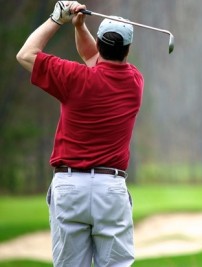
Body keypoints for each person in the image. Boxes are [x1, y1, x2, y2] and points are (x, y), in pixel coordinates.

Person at [16, 1, 144, 266]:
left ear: (99, 44)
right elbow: (93, 58)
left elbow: (26, 54)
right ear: (128, 50)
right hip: (110, 189)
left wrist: (57, 19)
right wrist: (80, 26)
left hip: (70, 187)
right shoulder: (134, 82)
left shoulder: (74, 78)